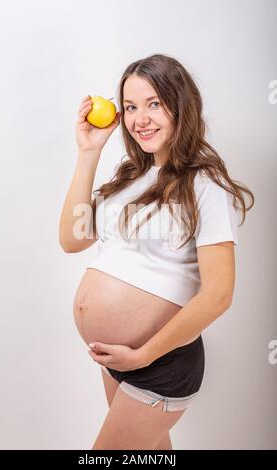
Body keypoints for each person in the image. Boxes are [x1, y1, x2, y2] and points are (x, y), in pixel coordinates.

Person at [59, 53, 254, 450]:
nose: (139, 118)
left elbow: (218, 296)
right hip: (119, 359)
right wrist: (88, 153)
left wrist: (143, 355)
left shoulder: (205, 185)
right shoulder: (132, 176)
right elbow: (73, 238)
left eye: (154, 104)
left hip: (158, 362)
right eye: (130, 106)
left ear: (180, 105)